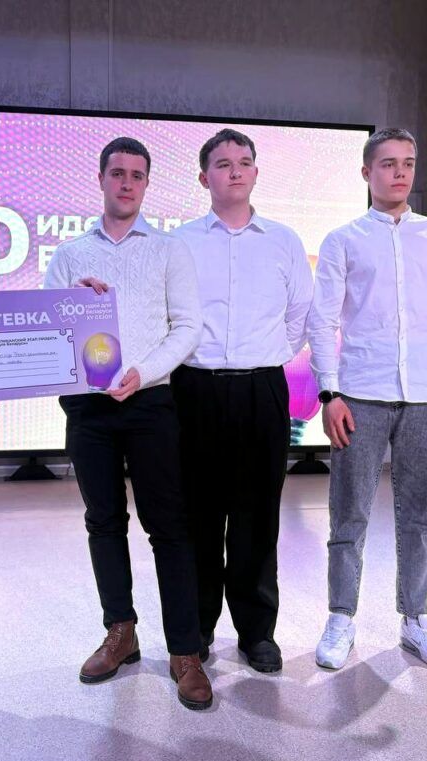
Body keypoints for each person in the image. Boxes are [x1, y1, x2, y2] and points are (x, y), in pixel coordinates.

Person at [307, 128, 427, 674]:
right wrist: (329, 392)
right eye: (388, 164)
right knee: (348, 515)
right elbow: (322, 321)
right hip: (360, 393)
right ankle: (341, 616)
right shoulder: (343, 240)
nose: (400, 172)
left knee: (421, 516)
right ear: (367, 173)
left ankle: (416, 618)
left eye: (408, 162)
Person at [43, 137, 212, 710]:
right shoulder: (69, 254)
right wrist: (69, 302)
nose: (126, 183)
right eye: (117, 173)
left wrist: (144, 372)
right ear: (101, 179)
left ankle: (185, 650)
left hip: (150, 401)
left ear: (146, 184)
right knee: (103, 521)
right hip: (88, 408)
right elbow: (47, 328)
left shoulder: (168, 251)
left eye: (137, 175)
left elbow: (187, 328)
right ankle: (121, 631)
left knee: (170, 527)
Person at [172, 129, 314, 674]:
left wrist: (266, 355)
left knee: (258, 515)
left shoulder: (283, 241)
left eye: (244, 162)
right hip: (196, 389)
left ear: (255, 172)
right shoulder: (180, 242)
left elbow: (300, 315)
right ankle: (198, 628)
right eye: (223, 163)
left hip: (261, 389)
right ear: (203, 176)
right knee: (199, 516)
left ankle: (257, 632)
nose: (235, 170)